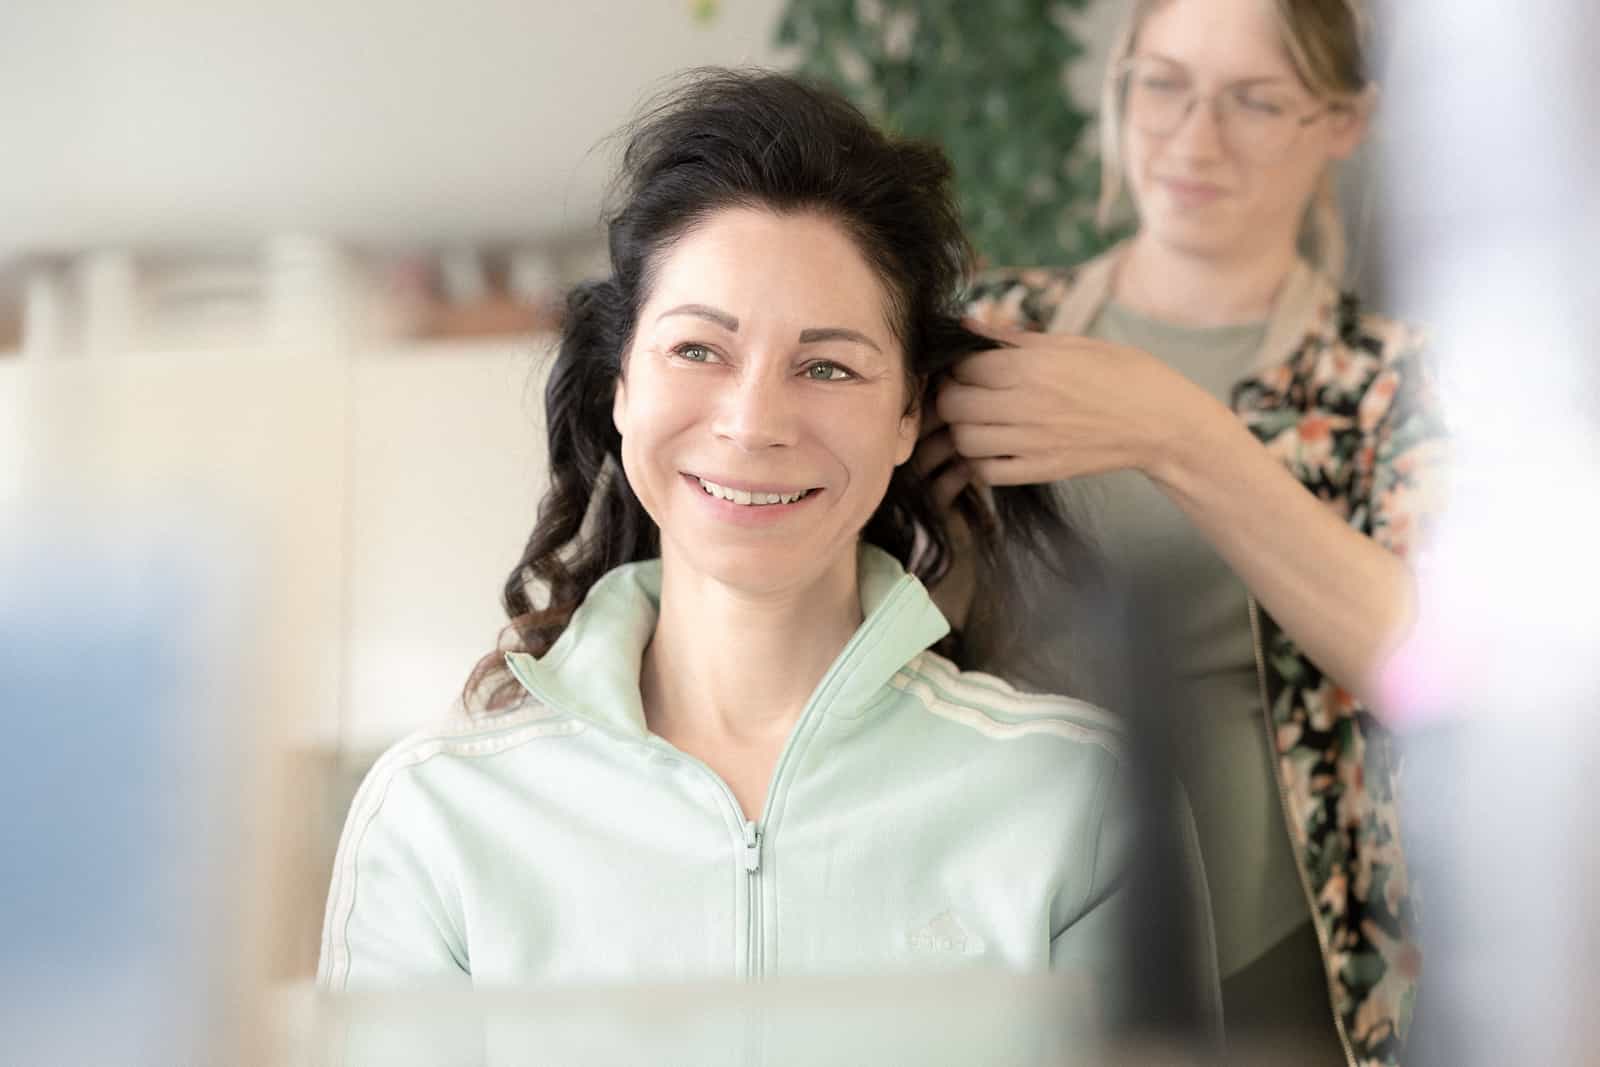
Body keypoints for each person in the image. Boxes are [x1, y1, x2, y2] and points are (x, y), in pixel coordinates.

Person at [318, 70, 1201, 1030]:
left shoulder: (1078, 805)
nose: (753, 422)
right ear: (622, 387)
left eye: (826, 366)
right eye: (699, 350)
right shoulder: (436, 818)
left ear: (908, 413)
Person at [921, 1, 1445, 1064]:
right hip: (1001, 924)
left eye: (1256, 100)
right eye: (1163, 84)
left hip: (1282, 968)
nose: (1194, 137)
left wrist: (1182, 435)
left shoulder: (1394, 381)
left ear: (1347, 123)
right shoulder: (995, 334)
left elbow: (1425, 662)